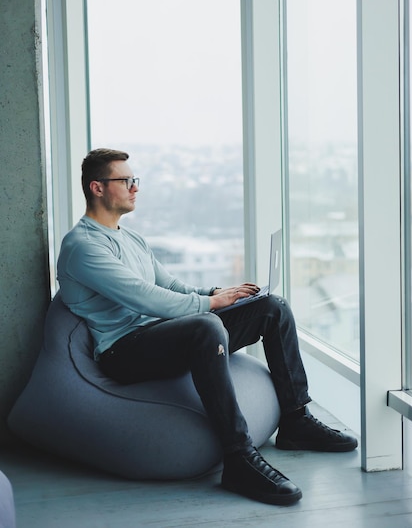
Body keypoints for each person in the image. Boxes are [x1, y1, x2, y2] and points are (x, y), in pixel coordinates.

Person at [57, 148, 357, 507]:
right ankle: (239, 458)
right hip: (123, 350)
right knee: (206, 327)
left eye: (135, 180)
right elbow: (144, 298)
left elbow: (171, 287)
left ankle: (296, 421)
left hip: (162, 333)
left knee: (271, 308)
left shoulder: (130, 238)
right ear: (98, 188)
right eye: (127, 181)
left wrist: (216, 293)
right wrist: (210, 306)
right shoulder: (82, 246)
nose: (135, 188)